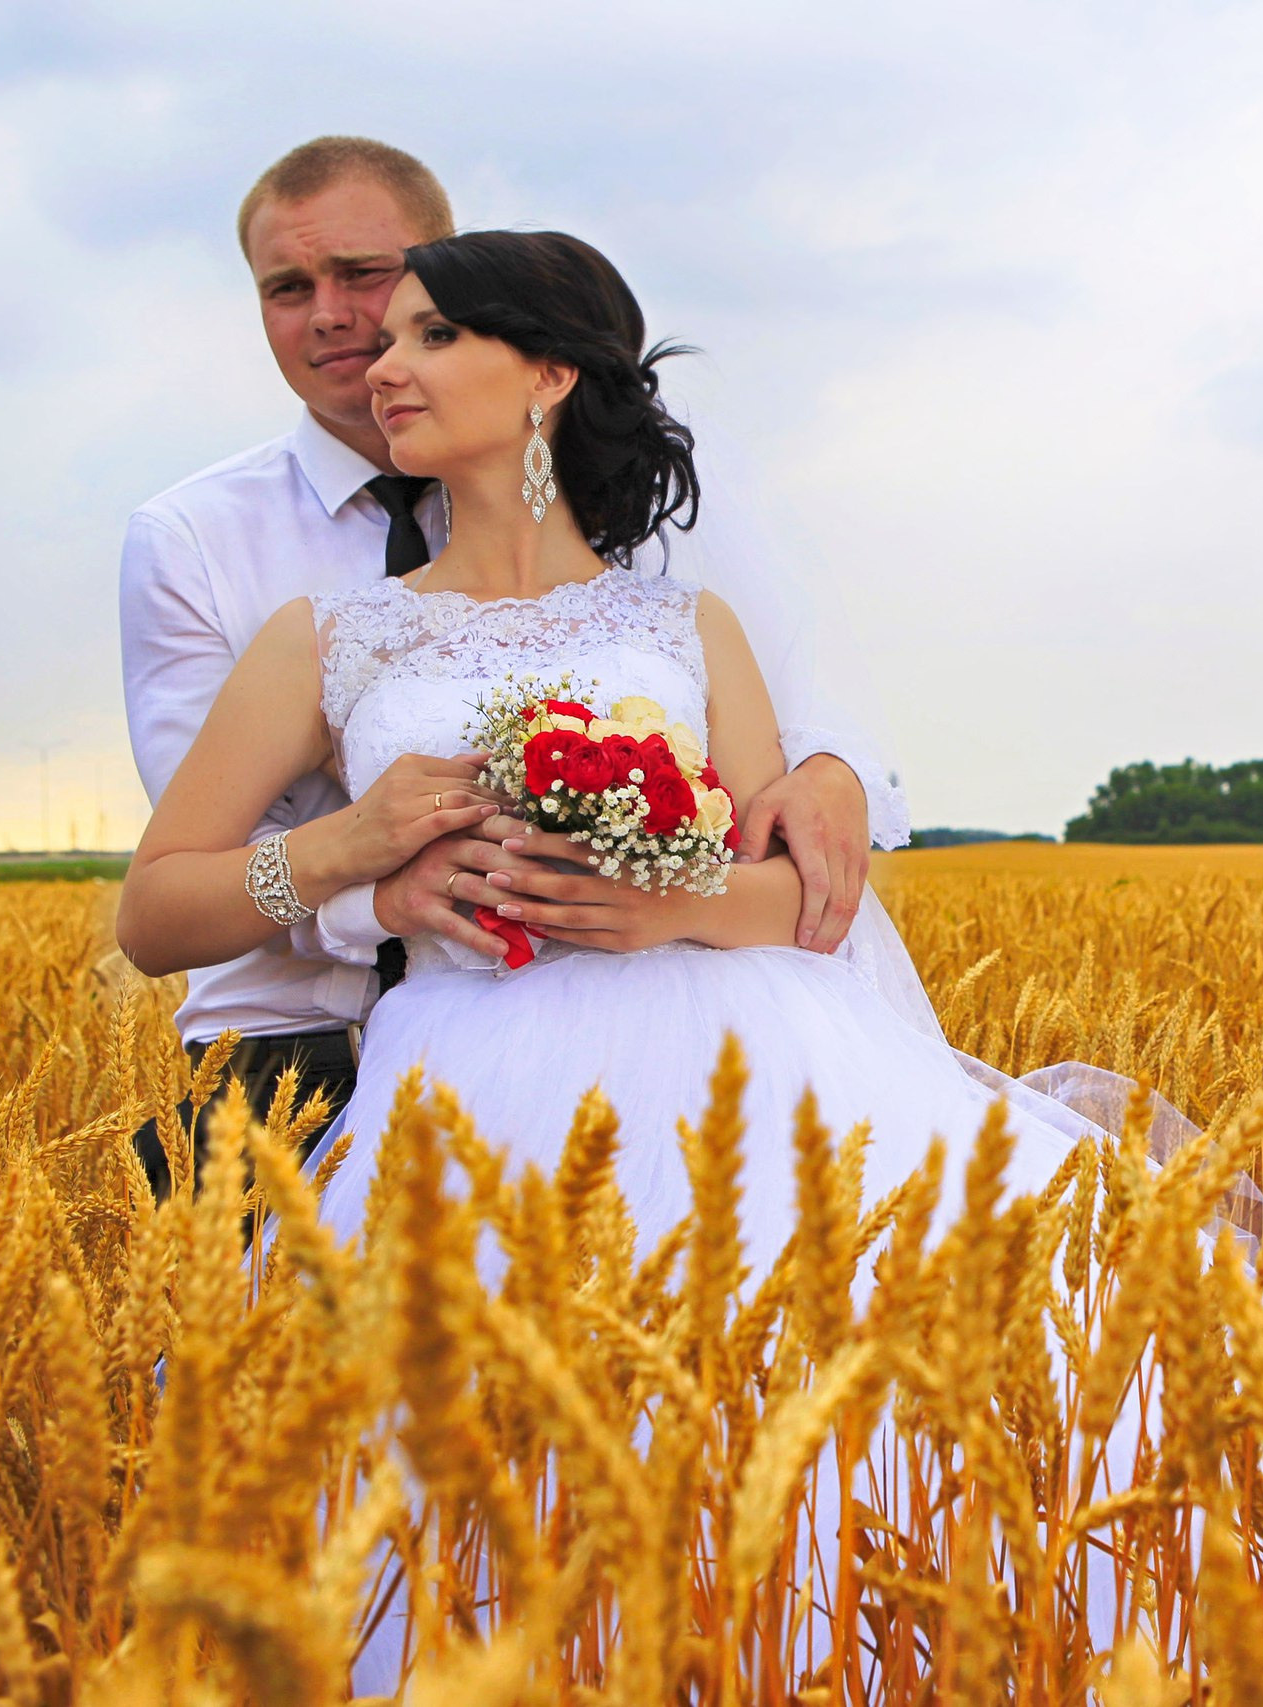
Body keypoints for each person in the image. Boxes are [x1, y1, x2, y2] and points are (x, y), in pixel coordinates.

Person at [117, 138, 906, 1195]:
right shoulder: (293, 611)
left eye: (419, 324)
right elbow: (158, 907)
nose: (368, 352)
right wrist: (361, 859)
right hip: (374, 1053)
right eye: (288, 289)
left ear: (548, 370)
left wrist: (676, 900)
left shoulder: (683, 612)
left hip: (720, 1062)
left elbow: (793, 884)